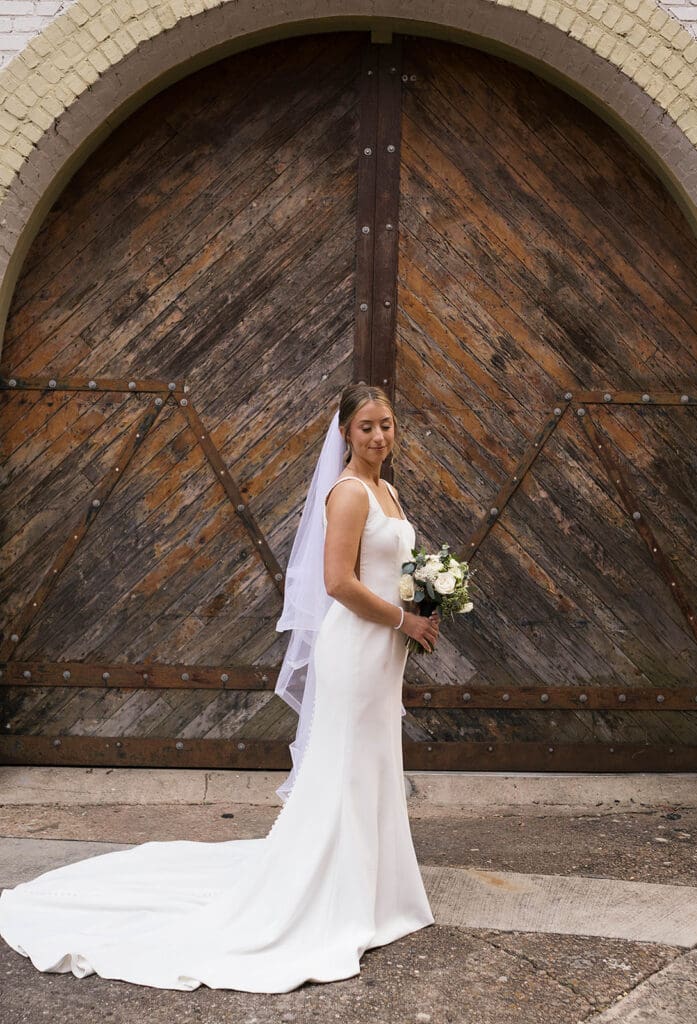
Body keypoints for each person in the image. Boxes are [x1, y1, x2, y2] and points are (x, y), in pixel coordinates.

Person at [0, 383, 440, 993]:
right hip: (358, 647)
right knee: (347, 765)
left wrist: (425, 598)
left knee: (374, 762)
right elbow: (338, 582)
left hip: (383, 648)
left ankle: (377, 890)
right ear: (345, 432)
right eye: (366, 426)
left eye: (386, 424)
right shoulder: (347, 493)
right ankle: (334, 895)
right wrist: (402, 620)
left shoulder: (387, 490)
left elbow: (388, 569)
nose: (378, 436)